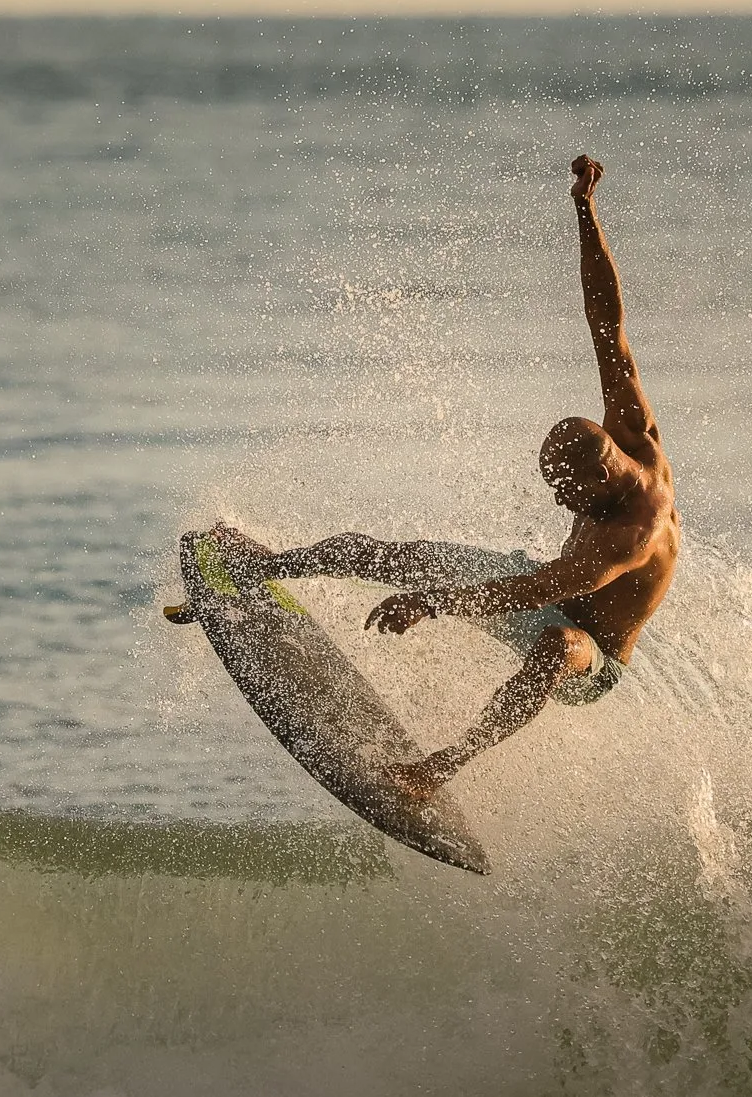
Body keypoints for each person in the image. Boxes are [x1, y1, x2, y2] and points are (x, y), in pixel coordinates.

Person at [218, 155, 680, 799]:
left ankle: (437, 770)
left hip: (590, 656)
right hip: (538, 587)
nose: (556, 500)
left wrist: (432, 604)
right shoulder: (629, 431)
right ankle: (270, 563)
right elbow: (607, 320)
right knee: (398, 557)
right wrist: (585, 211)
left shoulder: (630, 535)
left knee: (553, 645)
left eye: (563, 493)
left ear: (598, 483)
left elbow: (537, 588)